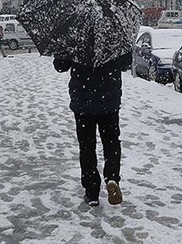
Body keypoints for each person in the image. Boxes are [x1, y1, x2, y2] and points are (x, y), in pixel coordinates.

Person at [53, 51, 132, 207]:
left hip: (83, 103)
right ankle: (111, 178)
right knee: (111, 143)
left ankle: (92, 192)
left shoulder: (75, 35)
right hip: (109, 101)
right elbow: (126, 62)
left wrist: (65, 51)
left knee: (87, 147)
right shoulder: (113, 34)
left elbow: (60, 66)